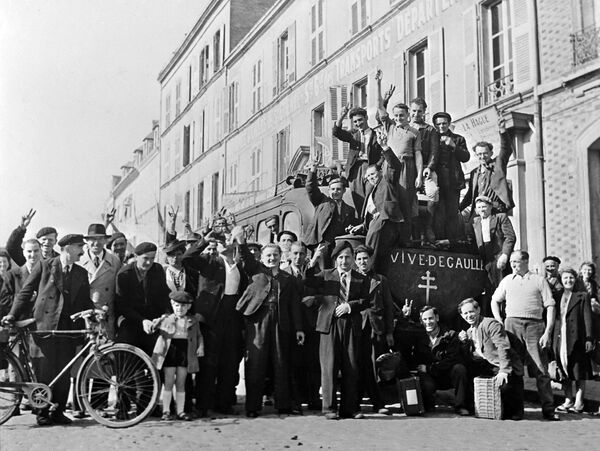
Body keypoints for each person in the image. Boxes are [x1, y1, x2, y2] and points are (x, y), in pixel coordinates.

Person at [2, 234, 93, 426]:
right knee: (45, 371)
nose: (82, 251)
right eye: (79, 247)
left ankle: (58, 411)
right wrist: (12, 314)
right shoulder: (45, 265)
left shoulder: (81, 273)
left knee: (64, 371)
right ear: (67, 248)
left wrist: (94, 312)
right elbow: (26, 291)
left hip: (68, 329)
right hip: (44, 326)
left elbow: (85, 301)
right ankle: (42, 413)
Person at [236, 237, 304, 418]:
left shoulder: (287, 279)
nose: (271, 258)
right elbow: (246, 257)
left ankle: (283, 404)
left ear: (281, 257)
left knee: (281, 361)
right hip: (258, 320)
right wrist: (240, 240)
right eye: (268, 255)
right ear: (262, 257)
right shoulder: (255, 270)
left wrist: (298, 329)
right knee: (255, 362)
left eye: (275, 255)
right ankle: (252, 406)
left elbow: (294, 305)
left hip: (280, 322)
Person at [182, 230, 247, 416]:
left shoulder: (239, 267)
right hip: (211, 318)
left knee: (230, 361)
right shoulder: (209, 262)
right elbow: (187, 259)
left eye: (230, 239)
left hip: (232, 317)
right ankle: (203, 405)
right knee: (208, 363)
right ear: (217, 245)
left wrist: (242, 243)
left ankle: (224, 403)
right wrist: (203, 241)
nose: (226, 242)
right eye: (223, 240)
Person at [304, 241, 370, 420]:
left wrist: (349, 306)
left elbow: (366, 300)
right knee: (329, 366)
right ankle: (329, 408)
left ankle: (350, 408)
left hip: (350, 325)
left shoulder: (361, 278)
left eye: (348, 257)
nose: (344, 261)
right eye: (340, 257)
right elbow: (308, 279)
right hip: (329, 325)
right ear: (335, 260)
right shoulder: (326, 275)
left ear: (353, 260)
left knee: (351, 366)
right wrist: (314, 260)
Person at [491, 250, 559, 420]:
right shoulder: (507, 280)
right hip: (512, 326)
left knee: (541, 370)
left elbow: (550, 305)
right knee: (515, 369)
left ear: (526, 261)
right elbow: (495, 300)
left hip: (534, 327)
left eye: (516, 261)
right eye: (511, 262)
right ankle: (517, 411)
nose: (512, 265)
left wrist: (547, 332)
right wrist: (499, 320)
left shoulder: (538, 280)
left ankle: (549, 410)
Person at [458, 298, 525, 421]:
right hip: (487, 365)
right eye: (465, 313)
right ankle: (475, 406)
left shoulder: (490, 324)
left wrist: (504, 370)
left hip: (504, 364)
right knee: (465, 372)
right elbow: (473, 355)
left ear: (478, 310)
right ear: (462, 315)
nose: (469, 316)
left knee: (505, 388)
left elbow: (503, 346)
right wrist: (464, 343)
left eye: (471, 311)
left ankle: (514, 409)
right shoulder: (469, 331)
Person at [376, 69, 423, 242]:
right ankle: (389, 237)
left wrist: (419, 175)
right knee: (388, 198)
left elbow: (418, 154)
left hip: (406, 167)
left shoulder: (414, 132)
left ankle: (405, 239)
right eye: (395, 115)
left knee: (406, 202)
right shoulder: (389, 126)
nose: (398, 118)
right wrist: (378, 83)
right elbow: (380, 108)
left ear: (408, 116)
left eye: (401, 115)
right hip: (389, 165)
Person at [349, 131, 404, 273]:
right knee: (373, 253)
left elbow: (395, 166)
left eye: (373, 174)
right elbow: (371, 213)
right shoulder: (371, 192)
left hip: (386, 222)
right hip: (375, 224)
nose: (371, 178)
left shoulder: (387, 181)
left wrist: (385, 146)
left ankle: (367, 272)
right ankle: (368, 272)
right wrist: (361, 225)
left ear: (380, 172)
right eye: (368, 177)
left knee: (370, 250)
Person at [151, 291, 205, 421]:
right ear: (172, 305)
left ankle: (180, 411)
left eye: (183, 306)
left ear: (188, 307)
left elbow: (199, 336)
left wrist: (200, 347)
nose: (179, 309)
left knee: (181, 382)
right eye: (176, 305)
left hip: (185, 351)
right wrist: (159, 320)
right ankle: (166, 410)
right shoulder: (167, 319)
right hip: (170, 350)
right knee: (168, 382)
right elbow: (153, 327)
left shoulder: (193, 320)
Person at [354, 245, 394, 415]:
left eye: (366, 258)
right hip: (356, 328)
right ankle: (354, 403)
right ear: (356, 262)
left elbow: (388, 307)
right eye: (360, 259)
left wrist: (390, 332)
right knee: (355, 365)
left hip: (376, 328)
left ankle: (378, 403)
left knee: (373, 366)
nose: (363, 262)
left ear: (371, 260)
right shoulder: (352, 278)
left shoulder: (381, 280)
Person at [283, 241, 321, 410]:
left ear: (306, 256)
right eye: (295, 254)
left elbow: (324, 293)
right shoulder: (284, 274)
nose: (298, 257)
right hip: (291, 326)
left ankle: (313, 398)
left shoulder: (313, 273)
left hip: (311, 325)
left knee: (313, 363)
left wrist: (315, 299)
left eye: (302, 254)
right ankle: (295, 401)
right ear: (289, 254)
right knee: (294, 364)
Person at [114, 242, 170, 356]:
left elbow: (164, 295)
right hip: (131, 319)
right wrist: (142, 320)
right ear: (136, 257)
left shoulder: (157, 269)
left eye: (152, 258)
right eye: (145, 258)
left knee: (161, 350)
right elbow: (122, 305)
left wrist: (164, 315)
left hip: (154, 319)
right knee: (126, 351)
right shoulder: (124, 274)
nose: (149, 262)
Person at [553, 268, 593, 413]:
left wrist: (589, 338)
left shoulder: (582, 296)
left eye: (571, 278)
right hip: (560, 337)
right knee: (564, 369)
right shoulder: (557, 296)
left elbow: (587, 318)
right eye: (565, 278)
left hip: (577, 338)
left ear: (575, 279)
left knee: (579, 370)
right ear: (561, 280)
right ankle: (568, 399)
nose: (568, 281)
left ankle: (579, 401)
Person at [303, 159, 357, 267]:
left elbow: (351, 227)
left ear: (343, 191)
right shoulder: (322, 201)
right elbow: (311, 188)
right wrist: (313, 170)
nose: (335, 192)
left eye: (338, 189)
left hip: (339, 245)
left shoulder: (350, 210)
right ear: (329, 190)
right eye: (332, 189)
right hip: (322, 244)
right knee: (323, 272)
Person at [417, 305, 471, 415]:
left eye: (431, 318)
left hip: (446, 374)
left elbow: (452, 359)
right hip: (430, 377)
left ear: (437, 318)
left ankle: (460, 406)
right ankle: (428, 405)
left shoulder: (450, 335)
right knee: (424, 381)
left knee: (459, 369)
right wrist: (405, 316)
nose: (428, 322)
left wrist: (430, 368)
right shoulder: (419, 337)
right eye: (425, 319)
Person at [467, 195, 516, 314]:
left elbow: (510, 237)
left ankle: (505, 315)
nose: (482, 210)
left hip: (498, 258)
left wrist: (505, 255)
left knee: (502, 289)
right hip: (485, 261)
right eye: (479, 207)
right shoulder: (475, 222)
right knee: (488, 291)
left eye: (484, 206)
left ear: (490, 207)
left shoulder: (500, 217)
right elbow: (469, 240)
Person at [459, 117, 515, 219]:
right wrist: (459, 208)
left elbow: (505, 149)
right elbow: (470, 195)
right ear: (476, 155)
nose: (482, 156)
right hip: (481, 211)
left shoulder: (498, 165)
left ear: (491, 153)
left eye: (485, 153)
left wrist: (502, 130)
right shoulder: (474, 173)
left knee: (500, 235)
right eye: (479, 154)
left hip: (496, 210)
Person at [332, 105, 382, 213]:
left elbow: (383, 155)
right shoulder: (353, 134)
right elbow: (336, 132)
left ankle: (370, 223)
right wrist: (341, 116)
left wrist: (376, 167)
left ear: (366, 118)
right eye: (355, 122)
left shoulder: (376, 135)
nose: (358, 124)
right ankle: (362, 226)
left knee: (371, 198)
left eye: (360, 120)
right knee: (358, 200)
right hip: (355, 170)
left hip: (370, 168)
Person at [78, 224, 121, 339]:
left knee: (106, 349)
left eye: (100, 239)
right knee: (87, 350)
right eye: (92, 239)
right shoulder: (79, 260)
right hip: (85, 314)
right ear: (86, 241)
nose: (96, 243)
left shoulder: (114, 261)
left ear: (106, 240)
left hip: (106, 314)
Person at [432, 112, 470, 240]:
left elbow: (466, 157)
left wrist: (453, 146)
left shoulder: (459, 139)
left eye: (444, 123)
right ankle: (438, 240)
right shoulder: (432, 139)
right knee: (437, 213)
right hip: (437, 182)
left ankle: (451, 242)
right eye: (438, 124)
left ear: (449, 124)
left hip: (453, 182)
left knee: (452, 213)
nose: (441, 126)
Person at [0, 239, 42, 318]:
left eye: (36, 251)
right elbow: (4, 300)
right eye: (29, 251)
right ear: (24, 253)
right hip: (19, 321)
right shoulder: (12, 274)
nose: (33, 255)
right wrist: (26, 298)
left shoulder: (47, 274)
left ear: (40, 251)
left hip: (41, 322)